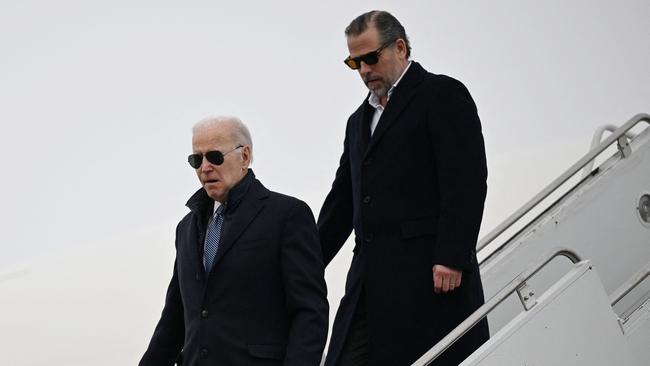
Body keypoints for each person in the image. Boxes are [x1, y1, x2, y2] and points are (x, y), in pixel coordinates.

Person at [318, 10, 489, 366]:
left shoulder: (442, 94)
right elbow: (342, 203)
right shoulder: (357, 122)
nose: (364, 70)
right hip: (369, 283)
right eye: (354, 62)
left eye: (370, 58)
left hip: (430, 279)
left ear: (399, 47)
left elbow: (466, 180)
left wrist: (452, 256)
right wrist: (304, 263)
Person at [140, 116, 329, 366]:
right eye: (197, 159)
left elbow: (309, 312)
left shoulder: (286, 216)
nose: (205, 167)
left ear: (244, 156)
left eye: (215, 157)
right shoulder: (185, 229)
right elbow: (173, 320)